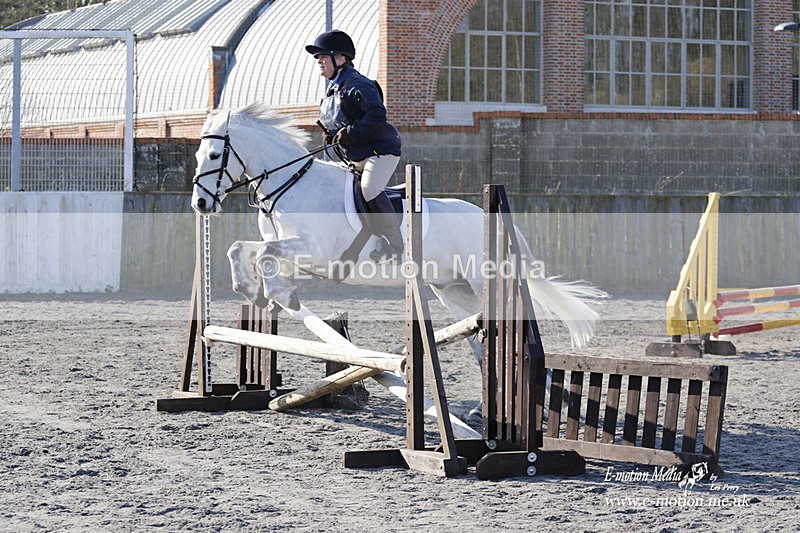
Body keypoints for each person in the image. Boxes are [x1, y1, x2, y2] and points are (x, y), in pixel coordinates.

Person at [305, 29, 403, 263]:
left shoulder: (358, 83)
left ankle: (395, 245)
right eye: (317, 58)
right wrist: (331, 135)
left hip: (379, 152)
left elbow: (377, 114)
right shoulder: (333, 89)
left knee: (369, 190)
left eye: (323, 57)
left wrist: (349, 133)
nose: (319, 61)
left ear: (340, 59)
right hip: (356, 156)